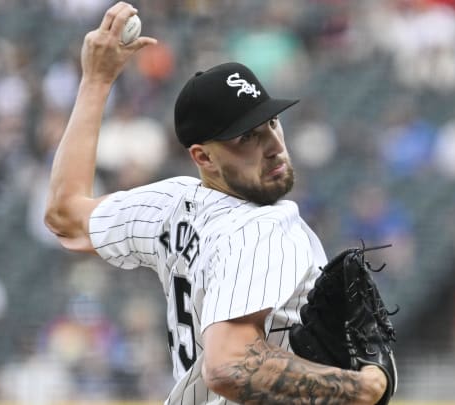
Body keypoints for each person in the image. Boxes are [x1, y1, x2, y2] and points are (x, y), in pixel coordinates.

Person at [44, 2, 388, 404]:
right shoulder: (262, 228)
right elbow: (228, 365)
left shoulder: (170, 205)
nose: (275, 146)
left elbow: (65, 213)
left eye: (272, 123)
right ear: (203, 157)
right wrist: (360, 388)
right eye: (247, 138)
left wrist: (96, 81)